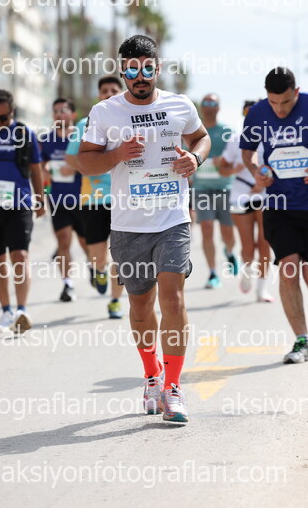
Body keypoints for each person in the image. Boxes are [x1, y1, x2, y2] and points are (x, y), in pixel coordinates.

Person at [78, 35, 211, 423]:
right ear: (123, 70)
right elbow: (85, 162)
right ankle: (152, 375)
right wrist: (117, 154)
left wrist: (195, 159)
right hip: (128, 225)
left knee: (173, 299)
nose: (140, 76)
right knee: (140, 305)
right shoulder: (105, 112)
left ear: (157, 68)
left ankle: (173, 387)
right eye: (132, 69)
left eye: (147, 68)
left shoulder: (179, 105)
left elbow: (201, 138)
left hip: (172, 219)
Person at [240, 68, 308, 364]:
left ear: (297, 92)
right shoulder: (257, 113)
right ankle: (302, 340)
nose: (279, 110)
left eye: (286, 102)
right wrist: (257, 171)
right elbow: (248, 151)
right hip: (279, 205)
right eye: (274, 102)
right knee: (289, 270)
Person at [65, 76, 125, 318]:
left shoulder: (130, 121)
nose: (109, 93)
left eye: (114, 90)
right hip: (93, 199)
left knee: (121, 256)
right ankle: (99, 270)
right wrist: (90, 165)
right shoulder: (85, 123)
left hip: (124, 199)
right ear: (99, 95)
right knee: (99, 256)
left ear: (121, 92)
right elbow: (70, 157)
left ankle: (115, 301)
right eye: (104, 90)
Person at [0, 89, 45, 333]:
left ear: (12, 112)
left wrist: (40, 200)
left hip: (19, 204)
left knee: (20, 256)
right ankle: (6, 312)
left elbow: (35, 168)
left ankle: (21, 310)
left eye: (2, 118)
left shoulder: (24, 134)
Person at [218, 101, 273, 301]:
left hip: (265, 195)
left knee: (265, 244)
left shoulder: (271, 137)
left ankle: (261, 289)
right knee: (248, 246)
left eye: (255, 112)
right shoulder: (235, 140)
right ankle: (247, 271)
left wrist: (263, 182)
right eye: (247, 112)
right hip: (240, 196)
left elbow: (278, 165)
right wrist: (234, 170)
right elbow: (222, 170)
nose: (251, 115)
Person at [39, 98, 87, 302]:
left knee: (86, 243)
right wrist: (44, 171)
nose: (60, 114)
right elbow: (39, 165)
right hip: (58, 199)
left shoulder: (82, 137)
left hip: (83, 199)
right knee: (63, 240)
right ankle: (67, 284)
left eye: (64, 110)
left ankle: (95, 268)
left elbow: (92, 162)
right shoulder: (46, 140)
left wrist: (74, 168)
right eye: (56, 111)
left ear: (73, 115)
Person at [192, 94, 238, 289]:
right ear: (201, 107)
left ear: (219, 107)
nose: (209, 106)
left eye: (213, 103)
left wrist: (224, 163)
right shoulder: (193, 131)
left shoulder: (227, 131)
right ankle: (212, 273)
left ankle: (229, 251)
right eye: (206, 103)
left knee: (228, 233)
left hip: (225, 189)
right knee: (207, 228)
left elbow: (238, 158)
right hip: (201, 189)